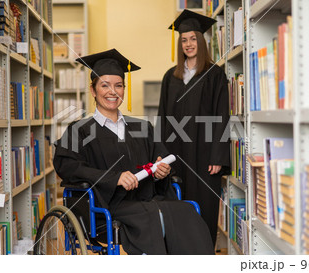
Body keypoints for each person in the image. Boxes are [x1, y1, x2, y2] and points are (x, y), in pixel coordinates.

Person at [53, 49, 214, 255]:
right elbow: (68, 166)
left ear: (124, 90)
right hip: (109, 205)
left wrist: (161, 171)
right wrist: (114, 178)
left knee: (186, 211)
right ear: (93, 91)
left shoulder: (142, 127)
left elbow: (161, 158)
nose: (113, 91)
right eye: (105, 85)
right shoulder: (79, 130)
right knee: (152, 218)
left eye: (118, 85)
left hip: (149, 199)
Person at [157, 9, 231, 246]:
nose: (188, 44)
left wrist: (217, 155)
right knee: (176, 205)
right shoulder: (171, 77)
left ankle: (204, 253)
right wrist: (160, 154)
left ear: (201, 41)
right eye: (184, 39)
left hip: (204, 154)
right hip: (175, 153)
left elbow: (221, 116)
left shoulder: (215, 75)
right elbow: (163, 117)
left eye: (193, 39)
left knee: (204, 208)